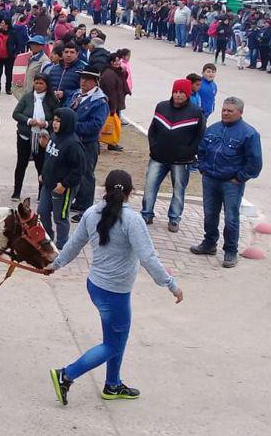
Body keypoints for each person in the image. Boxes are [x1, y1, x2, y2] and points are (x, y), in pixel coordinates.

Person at [47, 170, 183, 406]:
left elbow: (73, 245)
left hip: (96, 286)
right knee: (114, 344)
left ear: (104, 189)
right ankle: (66, 375)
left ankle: (112, 384)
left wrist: (55, 264)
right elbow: (148, 258)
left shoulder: (90, 213)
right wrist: (171, 284)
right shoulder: (132, 220)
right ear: (130, 193)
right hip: (115, 293)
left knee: (113, 338)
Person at [191, 97, 263, 268]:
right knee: (210, 214)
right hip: (210, 179)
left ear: (240, 112)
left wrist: (240, 177)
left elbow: (255, 163)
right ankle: (209, 244)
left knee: (231, 218)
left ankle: (231, 251)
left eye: (230, 111)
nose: (225, 113)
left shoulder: (249, 134)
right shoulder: (213, 129)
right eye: (224, 109)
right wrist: (202, 167)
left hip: (232, 183)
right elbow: (201, 150)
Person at [141, 79, 205, 233]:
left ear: (188, 94)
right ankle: (146, 214)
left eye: (181, 92)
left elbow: (199, 136)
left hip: (181, 161)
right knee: (150, 185)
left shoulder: (196, 112)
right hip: (158, 157)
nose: (178, 95)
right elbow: (153, 130)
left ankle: (174, 218)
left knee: (178, 189)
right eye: (175, 92)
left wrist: (189, 152)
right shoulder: (161, 107)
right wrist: (154, 147)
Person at [39, 108, 85, 247]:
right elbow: (49, 158)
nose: (55, 123)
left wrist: (64, 184)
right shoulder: (54, 136)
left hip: (62, 188)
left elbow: (79, 170)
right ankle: (47, 239)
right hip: (48, 184)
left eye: (59, 121)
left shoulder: (73, 144)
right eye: (54, 119)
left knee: (60, 216)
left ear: (67, 122)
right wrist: (43, 173)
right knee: (42, 212)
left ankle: (62, 244)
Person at [69, 65, 109, 222]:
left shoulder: (99, 101)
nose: (83, 81)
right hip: (73, 141)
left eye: (87, 79)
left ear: (95, 82)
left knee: (86, 175)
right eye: (82, 77)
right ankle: (78, 202)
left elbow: (95, 125)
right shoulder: (76, 94)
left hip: (87, 143)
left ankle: (86, 208)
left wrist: (72, 125)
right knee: (75, 171)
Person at [12, 73, 58, 201]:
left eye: (41, 83)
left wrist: (47, 123)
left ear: (47, 85)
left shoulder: (51, 100)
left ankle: (41, 192)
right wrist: (28, 121)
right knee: (21, 164)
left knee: (41, 165)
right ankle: (16, 191)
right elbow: (16, 114)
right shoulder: (27, 97)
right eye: (36, 83)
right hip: (25, 136)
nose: (38, 86)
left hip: (42, 137)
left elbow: (57, 116)